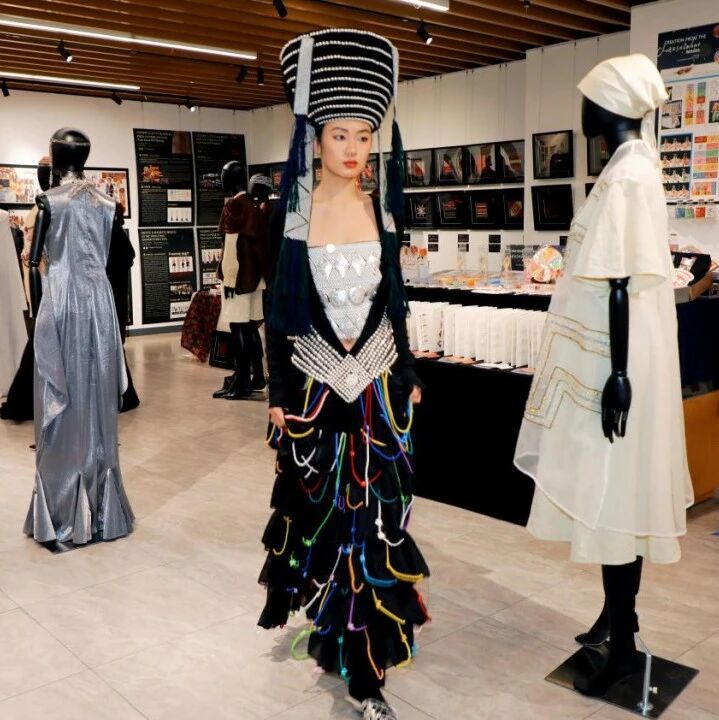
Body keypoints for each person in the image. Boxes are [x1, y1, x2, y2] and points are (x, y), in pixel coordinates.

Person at [258, 29, 430, 720]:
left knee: (372, 526)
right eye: (339, 135)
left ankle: (365, 671)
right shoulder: (293, 214)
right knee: (324, 522)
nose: (354, 148)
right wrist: (276, 392)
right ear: (316, 139)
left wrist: (407, 367)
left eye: (364, 135)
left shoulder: (381, 207)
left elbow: (395, 302)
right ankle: (333, 630)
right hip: (317, 389)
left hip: (379, 395)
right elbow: (277, 312)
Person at [514, 54, 693, 697]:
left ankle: (621, 646)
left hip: (616, 360)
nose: (583, 109)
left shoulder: (627, 175)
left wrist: (618, 375)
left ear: (611, 104)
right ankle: (621, 618)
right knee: (623, 488)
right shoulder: (631, 166)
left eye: (588, 98)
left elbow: (619, 282)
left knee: (614, 493)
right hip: (622, 353)